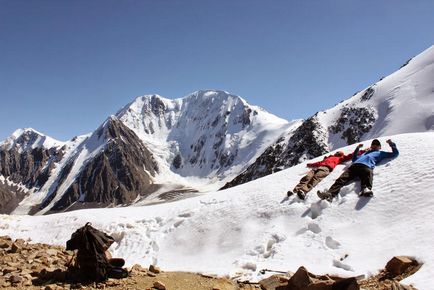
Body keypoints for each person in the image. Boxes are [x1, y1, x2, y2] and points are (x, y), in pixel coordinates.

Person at [317, 139, 399, 202]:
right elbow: (354, 159)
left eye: (376, 144)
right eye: (373, 144)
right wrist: (357, 149)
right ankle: (330, 194)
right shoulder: (364, 153)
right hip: (354, 166)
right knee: (341, 179)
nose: (374, 145)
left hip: (366, 166)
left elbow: (395, 153)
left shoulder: (381, 153)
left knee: (368, 173)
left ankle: (366, 189)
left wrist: (391, 144)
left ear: (379, 147)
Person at [287, 150, 356, 200]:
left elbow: (349, 156)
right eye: (337, 152)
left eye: (339, 153)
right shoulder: (328, 157)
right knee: (307, 177)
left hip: (326, 169)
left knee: (315, 178)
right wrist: (310, 164)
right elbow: (319, 162)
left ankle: (304, 191)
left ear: (341, 154)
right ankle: (294, 191)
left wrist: (360, 150)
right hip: (318, 167)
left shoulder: (340, 158)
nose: (337, 153)